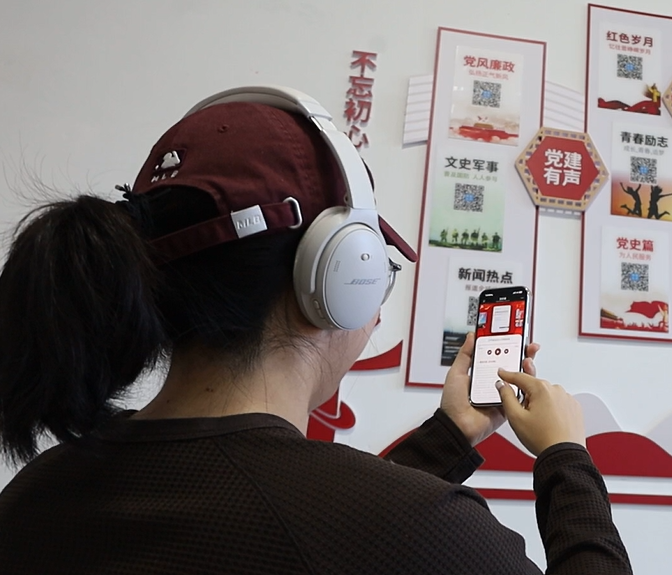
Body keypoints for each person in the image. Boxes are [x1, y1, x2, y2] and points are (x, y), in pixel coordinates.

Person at [0, 88, 632, 574]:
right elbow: (341, 528)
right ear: (335, 278)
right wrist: (566, 460)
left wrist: (449, 437)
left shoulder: (34, 498)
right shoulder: (425, 530)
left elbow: (314, 524)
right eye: (379, 270)